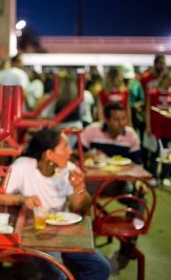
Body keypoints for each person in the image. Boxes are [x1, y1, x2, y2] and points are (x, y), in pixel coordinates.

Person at [0, 128, 111, 280]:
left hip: (63, 232)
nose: (70, 151)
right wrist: (22, 199)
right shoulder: (23, 167)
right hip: (33, 234)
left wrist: (79, 188)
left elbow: (79, 207)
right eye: (65, 147)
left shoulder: (68, 169)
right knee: (60, 275)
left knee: (101, 267)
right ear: (49, 154)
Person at [80, 102, 146, 259]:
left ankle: (129, 243)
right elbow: (76, 152)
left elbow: (138, 162)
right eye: (117, 120)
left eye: (124, 119)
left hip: (119, 184)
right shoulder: (92, 130)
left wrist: (139, 180)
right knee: (80, 201)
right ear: (107, 120)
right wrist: (89, 155)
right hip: (93, 184)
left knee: (140, 196)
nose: (121, 123)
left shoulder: (130, 135)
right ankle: (83, 242)